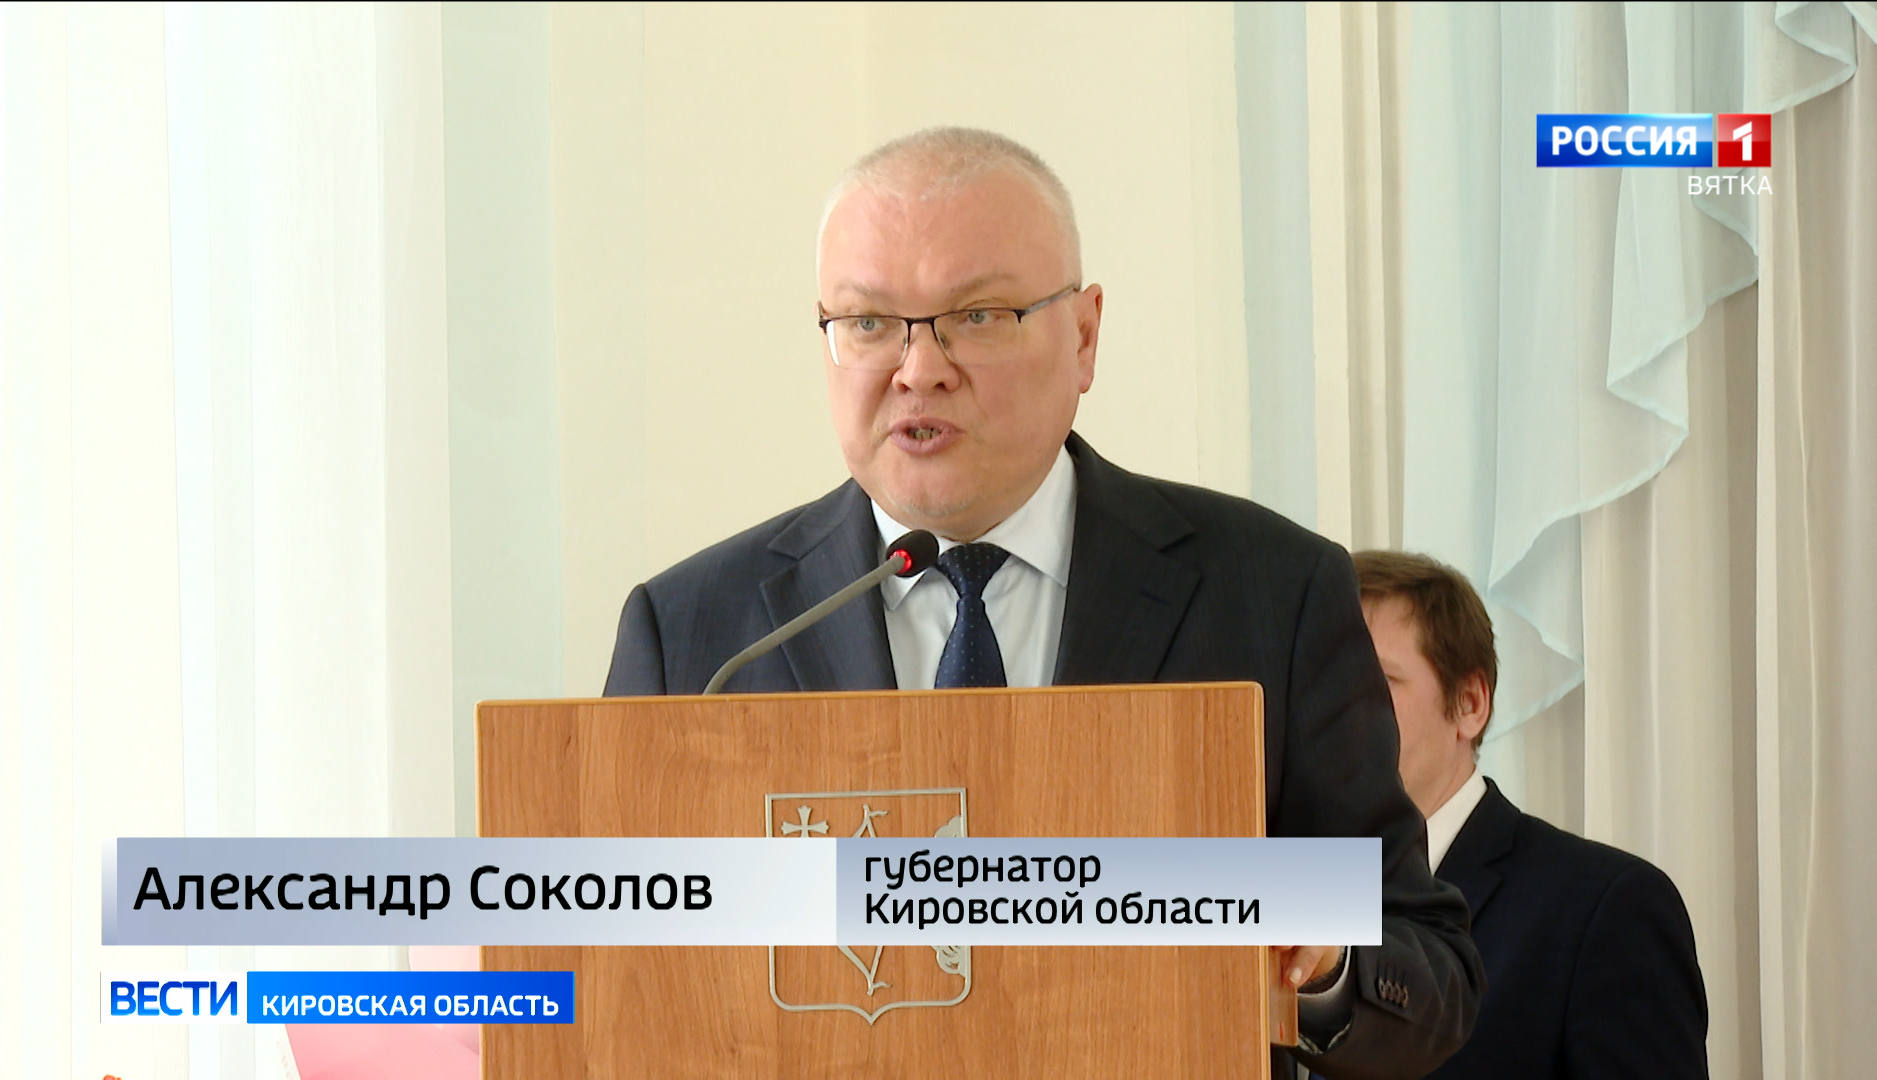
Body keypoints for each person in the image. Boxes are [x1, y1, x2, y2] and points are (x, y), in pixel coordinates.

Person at [605, 126, 1481, 1078]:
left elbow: (1428, 972)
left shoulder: (1272, 590)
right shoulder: (697, 632)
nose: (918, 368)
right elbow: (606, 973)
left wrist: (1326, 964)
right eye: (868, 322)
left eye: (977, 315)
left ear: (1085, 336)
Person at [1352, 550, 1708, 1080]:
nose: (1337, 712)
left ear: (1470, 704)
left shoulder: (1608, 907)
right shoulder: (1298, 893)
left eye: (1375, 681)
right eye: (1323, 688)